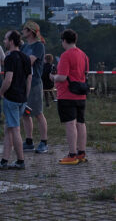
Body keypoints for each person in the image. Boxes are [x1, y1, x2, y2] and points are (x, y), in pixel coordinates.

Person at [50, 29, 89, 165]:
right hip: (81, 94)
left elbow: (62, 77)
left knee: (70, 124)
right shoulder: (84, 55)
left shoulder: (66, 55)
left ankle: (72, 154)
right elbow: (85, 73)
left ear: (64, 40)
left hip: (67, 94)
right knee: (80, 123)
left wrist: (52, 76)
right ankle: (81, 153)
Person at [0, 30, 32, 170]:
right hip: (22, 98)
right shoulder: (26, 57)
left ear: (11, 41)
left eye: (5, 39)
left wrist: (1, 91)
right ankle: (4, 160)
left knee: (15, 129)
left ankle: (20, 160)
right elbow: (29, 78)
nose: (4, 41)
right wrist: (26, 95)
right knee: (9, 129)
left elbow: (8, 79)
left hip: (11, 98)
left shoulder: (10, 58)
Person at [21, 21, 48, 154]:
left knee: (38, 113)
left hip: (35, 82)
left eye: (24, 29)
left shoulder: (39, 46)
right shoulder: (24, 46)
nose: (22, 32)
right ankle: (29, 140)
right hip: (24, 83)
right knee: (25, 113)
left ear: (31, 31)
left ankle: (44, 141)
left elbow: (29, 61)